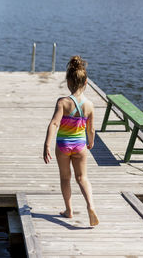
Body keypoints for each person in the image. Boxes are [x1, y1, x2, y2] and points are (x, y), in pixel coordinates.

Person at [43, 55, 99, 226]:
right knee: (82, 178)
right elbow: (91, 129)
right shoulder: (89, 105)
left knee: (65, 178)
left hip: (63, 146)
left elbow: (54, 123)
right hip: (80, 146)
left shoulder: (63, 102)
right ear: (86, 83)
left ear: (68, 82)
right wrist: (91, 141)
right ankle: (90, 205)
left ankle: (69, 210)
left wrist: (46, 145)